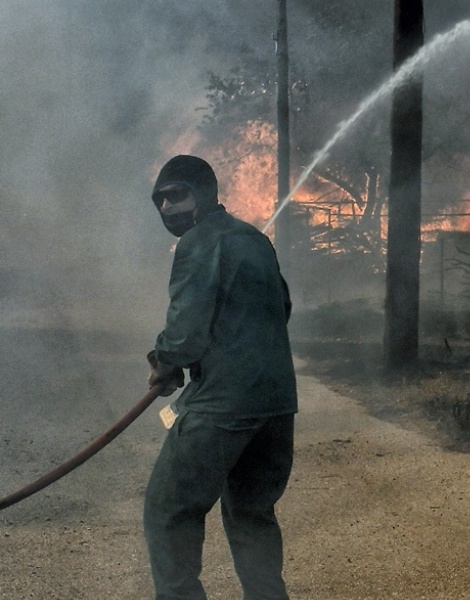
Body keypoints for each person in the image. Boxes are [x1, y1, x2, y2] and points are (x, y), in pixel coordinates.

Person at [144, 154, 298, 600]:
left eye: (177, 195)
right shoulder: (255, 239)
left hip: (223, 403)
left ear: (206, 193)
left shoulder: (198, 242)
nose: (168, 208)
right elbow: (282, 308)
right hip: (275, 403)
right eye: (161, 200)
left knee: (167, 510)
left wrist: (165, 359)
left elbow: (185, 334)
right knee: (252, 512)